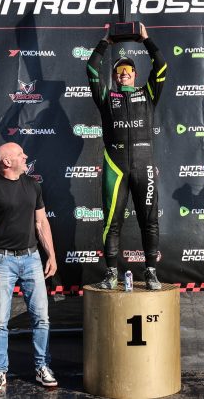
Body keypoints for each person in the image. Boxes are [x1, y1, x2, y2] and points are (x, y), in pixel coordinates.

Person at [0, 142, 58, 393]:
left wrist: (51, 255)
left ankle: (42, 366)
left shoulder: (33, 185)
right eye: (21, 154)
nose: (26, 156)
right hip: (2, 261)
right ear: (7, 162)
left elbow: (41, 223)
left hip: (32, 258)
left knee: (41, 318)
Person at [86, 23, 166, 290]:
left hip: (144, 165)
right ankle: (111, 272)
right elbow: (91, 69)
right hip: (115, 165)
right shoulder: (106, 97)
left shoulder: (148, 93)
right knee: (112, 222)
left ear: (135, 74)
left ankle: (151, 271)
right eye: (118, 71)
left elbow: (161, 66)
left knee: (149, 221)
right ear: (114, 76)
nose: (123, 74)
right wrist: (105, 42)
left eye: (127, 70)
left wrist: (146, 39)